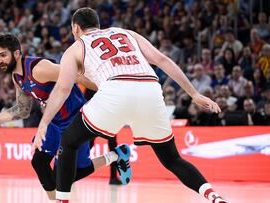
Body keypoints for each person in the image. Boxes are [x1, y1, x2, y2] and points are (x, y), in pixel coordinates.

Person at [34, 7, 227, 203]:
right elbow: (161, 59)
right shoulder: (126, 33)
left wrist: (44, 122)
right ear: (98, 25)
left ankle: (62, 201)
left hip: (115, 92)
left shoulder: (76, 47)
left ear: (75, 28)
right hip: (150, 89)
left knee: (68, 141)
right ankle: (214, 197)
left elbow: (63, 89)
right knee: (172, 160)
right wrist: (194, 93)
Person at [0, 33, 132, 201]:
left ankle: (117, 155)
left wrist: (108, 89)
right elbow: (22, 110)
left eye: (3, 55)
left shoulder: (39, 69)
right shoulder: (17, 77)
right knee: (39, 163)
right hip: (54, 122)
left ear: (16, 54)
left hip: (76, 119)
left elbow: (76, 76)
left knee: (69, 174)